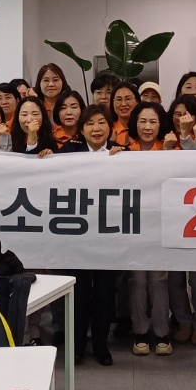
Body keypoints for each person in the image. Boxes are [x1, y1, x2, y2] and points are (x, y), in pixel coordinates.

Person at [57, 105, 125, 366]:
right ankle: (76, 346)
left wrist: (123, 161)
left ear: (110, 126)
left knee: (105, 292)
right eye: (90, 124)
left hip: (108, 236)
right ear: (81, 129)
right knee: (79, 291)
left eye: (102, 123)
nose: (96, 129)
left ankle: (100, 345)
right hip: (76, 236)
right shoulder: (67, 153)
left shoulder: (122, 153)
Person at [162, 94, 196, 347]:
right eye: (177, 114)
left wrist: (189, 137)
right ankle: (183, 320)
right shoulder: (166, 140)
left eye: (187, 114)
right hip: (171, 216)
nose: (182, 119)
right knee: (174, 278)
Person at [126, 102, 172, 355]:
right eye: (142, 121)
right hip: (133, 224)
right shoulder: (124, 150)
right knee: (137, 279)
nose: (147, 127)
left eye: (153, 121)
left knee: (159, 279)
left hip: (162, 224)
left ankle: (163, 331)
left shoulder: (170, 148)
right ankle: (140, 331)